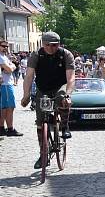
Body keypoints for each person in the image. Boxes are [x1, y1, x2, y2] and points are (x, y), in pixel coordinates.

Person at [20, 31, 75, 169]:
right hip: (43, 88)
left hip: (59, 85)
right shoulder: (36, 55)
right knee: (40, 122)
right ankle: (43, 154)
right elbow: (29, 76)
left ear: (59, 44)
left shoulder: (66, 55)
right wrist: (26, 94)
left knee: (63, 99)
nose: (51, 48)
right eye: (48, 45)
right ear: (43, 44)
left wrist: (68, 94)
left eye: (54, 45)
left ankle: (64, 126)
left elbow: (71, 78)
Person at [0, 39, 22, 136]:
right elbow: (9, 69)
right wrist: (12, 66)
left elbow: (12, 66)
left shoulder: (4, 56)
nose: (5, 48)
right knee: (9, 107)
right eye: (3, 46)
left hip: (7, 83)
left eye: (7, 46)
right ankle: (9, 128)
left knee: (6, 107)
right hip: (5, 84)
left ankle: (3, 128)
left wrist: (11, 66)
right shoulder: (1, 57)